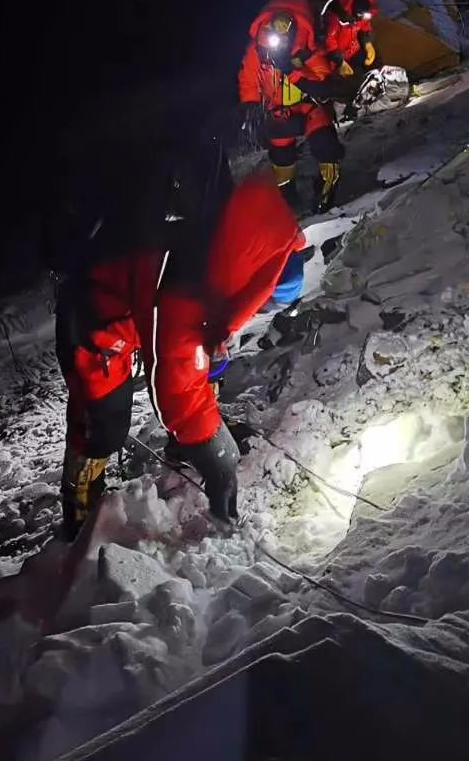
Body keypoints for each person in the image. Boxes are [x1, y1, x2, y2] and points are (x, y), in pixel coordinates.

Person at [53, 165, 305, 535]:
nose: (259, 315)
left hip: (134, 304)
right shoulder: (189, 288)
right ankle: (79, 497)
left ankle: (181, 445)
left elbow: (198, 346)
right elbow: (174, 384)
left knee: (204, 360)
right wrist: (216, 458)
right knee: (103, 422)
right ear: (257, 286)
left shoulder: (228, 248)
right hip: (96, 328)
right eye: (264, 306)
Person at [238, 0, 344, 212]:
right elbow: (248, 81)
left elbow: (322, 83)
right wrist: (250, 108)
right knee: (281, 155)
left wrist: (293, 71)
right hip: (278, 111)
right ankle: (287, 193)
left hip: (308, 106)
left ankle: (326, 188)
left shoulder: (306, 51)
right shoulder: (256, 52)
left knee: (326, 144)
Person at [318, 0, 379, 78]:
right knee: (351, 80)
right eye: (360, 16)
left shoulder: (363, 11)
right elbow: (329, 41)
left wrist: (368, 44)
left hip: (353, 49)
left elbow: (365, 26)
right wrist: (340, 62)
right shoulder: (335, 16)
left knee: (374, 64)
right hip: (336, 56)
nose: (361, 19)